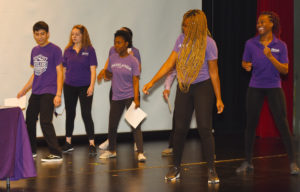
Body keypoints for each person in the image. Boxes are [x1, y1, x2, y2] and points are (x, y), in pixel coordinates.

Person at [143, 9, 224, 183]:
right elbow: (169, 63)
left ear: (196, 26)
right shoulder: (181, 40)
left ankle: (211, 169)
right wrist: (152, 81)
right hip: (184, 87)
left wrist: (218, 98)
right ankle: (176, 168)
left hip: (203, 86)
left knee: (204, 127)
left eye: (187, 25)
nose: (184, 28)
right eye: (183, 25)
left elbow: (214, 72)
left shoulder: (209, 43)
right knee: (179, 129)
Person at [236, 11, 299, 175]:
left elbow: (285, 70)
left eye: (263, 21)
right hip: (255, 86)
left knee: (283, 124)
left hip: (274, 87)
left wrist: (271, 57)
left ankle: (293, 163)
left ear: (272, 24)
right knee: (250, 125)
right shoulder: (250, 43)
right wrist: (245, 65)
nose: (259, 24)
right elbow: (245, 61)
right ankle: (248, 162)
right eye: (258, 22)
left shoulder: (281, 45)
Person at [17, 21, 63, 162]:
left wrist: (58, 94)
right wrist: (24, 89)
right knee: (29, 119)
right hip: (36, 91)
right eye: (37, 34)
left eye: (42, 34)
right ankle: (31, 151)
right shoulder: (34, 50)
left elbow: (60, 72)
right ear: (34, 35)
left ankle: (56, 153)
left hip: (49, 90)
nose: (40, 37)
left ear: (47, 34)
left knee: (45, 121)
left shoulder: (55, 49)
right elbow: (36, 73)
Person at [99, 30, 146, 162]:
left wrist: (136, 99)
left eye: (119, 43)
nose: (116, 45)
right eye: (115, 43)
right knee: (112, 125)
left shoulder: (133, 60)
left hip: (130, 95)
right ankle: (112, 150)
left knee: (135, 125)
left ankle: (141, 152)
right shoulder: (113, 57)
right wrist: (104, 73)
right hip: (116, 96)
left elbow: (136, 80)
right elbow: (109, 74)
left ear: (126, 43)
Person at [61, 25, 98, 155]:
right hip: (69, 87)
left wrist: (91, 86)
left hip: (85, 87)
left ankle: (92, 144)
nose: (74, 36)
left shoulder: (90, 50)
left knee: (86, 113)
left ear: (83, 35)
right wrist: (61, 88)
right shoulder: (67, 51)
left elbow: (93, 70)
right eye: (72, 34)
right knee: (70, 114)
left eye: (77, 34)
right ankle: (68, 142)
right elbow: (64, 71)